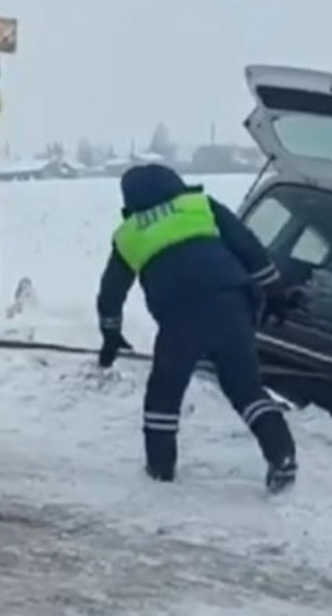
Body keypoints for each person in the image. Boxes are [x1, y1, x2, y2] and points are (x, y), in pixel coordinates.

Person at [95, 163, 299, 494]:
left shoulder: (129, 233)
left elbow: (111, 292)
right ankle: (282, 455)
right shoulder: (201, 205)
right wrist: (274, 290)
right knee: (245, 388)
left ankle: (160, 472)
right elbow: (247, 246)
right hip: (231, 304)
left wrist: (111, 333)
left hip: (179, 317)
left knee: (164, 393)